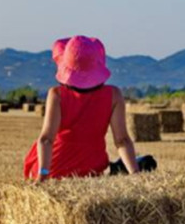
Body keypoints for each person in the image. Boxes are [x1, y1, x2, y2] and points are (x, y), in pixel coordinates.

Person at [23, 35, 156, 182]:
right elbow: (122, 140)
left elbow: (46, 139)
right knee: (143, 162)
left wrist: (43, 175)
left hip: (54, 169)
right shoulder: (114, 95)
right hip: (91, 170)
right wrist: (135, 174)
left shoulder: (56, 95)